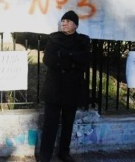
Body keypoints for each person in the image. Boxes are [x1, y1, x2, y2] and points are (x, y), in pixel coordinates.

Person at [39, 10, 91, 162]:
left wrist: (66, 56)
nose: (64, 23)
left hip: (72, 87)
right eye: (63, 21)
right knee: (50, 124)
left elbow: (84, 60)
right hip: (54, 88)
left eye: (68, 21)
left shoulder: (83, 41)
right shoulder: (54, 39)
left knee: (68, 123)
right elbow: (48, 60)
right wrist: (72, 59)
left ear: (76, 24)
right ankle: (45, 156)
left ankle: (64, 152)